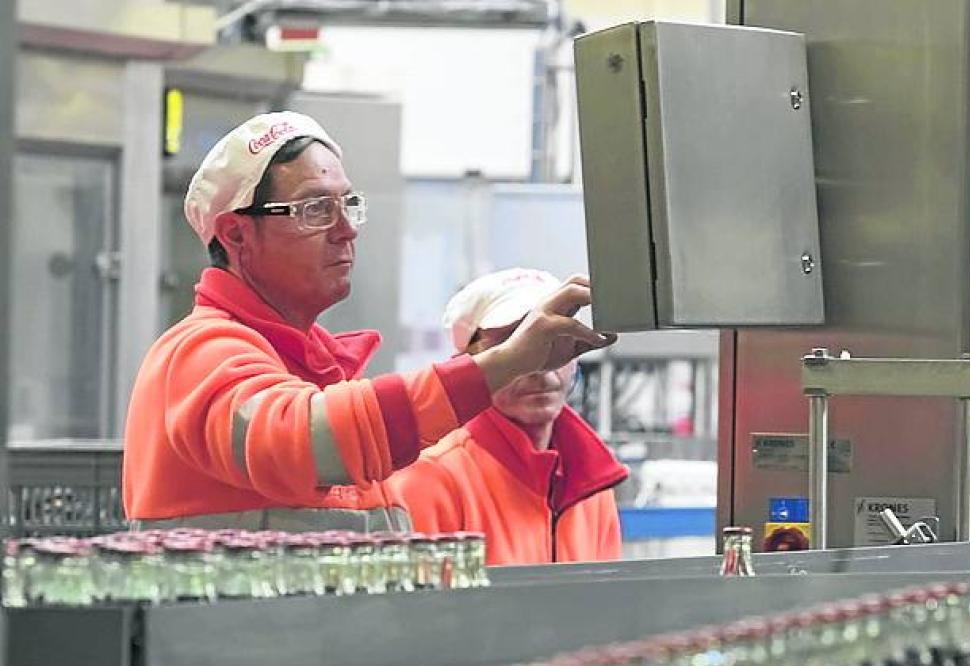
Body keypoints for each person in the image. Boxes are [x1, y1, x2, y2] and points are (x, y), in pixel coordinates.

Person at [122, 112, 613, 530]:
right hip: (219, 643)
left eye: (348, 205)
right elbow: (299, 442)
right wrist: (502, 364)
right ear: (236, 235)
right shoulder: (200, 351)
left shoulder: (312, 367)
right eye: (314, 208)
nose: (344, 231)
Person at [396, 268, 628, 565]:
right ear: (466, 364)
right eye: (514, 346)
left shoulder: (591, 484)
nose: (540, 365)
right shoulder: (432, 479)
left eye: (556, 341)